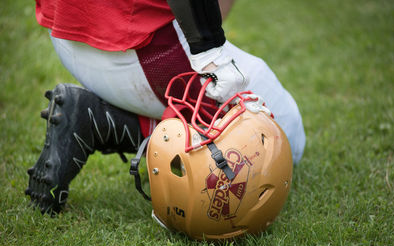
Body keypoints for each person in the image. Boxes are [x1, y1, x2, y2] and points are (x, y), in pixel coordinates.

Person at [26, 0, 306, 214]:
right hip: (137, 41)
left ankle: (96, 118)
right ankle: (104, 122)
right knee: (283, 135)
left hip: (64, 29)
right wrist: (210, 53)